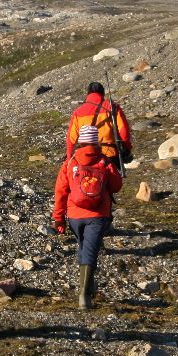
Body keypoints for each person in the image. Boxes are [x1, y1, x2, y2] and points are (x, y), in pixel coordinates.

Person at [52, 125, 124, 310]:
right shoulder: (104, 161)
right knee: (90, 250)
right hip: (98, 215)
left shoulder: (70, 163)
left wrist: (58, 218)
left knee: (84, 247)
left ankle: (89, 287)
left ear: (80, 142)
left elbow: (60, 192)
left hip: (75, 216)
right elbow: (116, 186)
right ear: (96, 142)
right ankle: (84, 295)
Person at [65, 81, 133, 168]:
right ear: (103, 93)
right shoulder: (112, 107)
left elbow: (71, 140)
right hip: (111, 156)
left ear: (88, 94)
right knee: (114, 180)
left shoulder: (78, 113)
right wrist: (127, 149)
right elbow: (124, 131)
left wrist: (69, 159)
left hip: (87, 157)